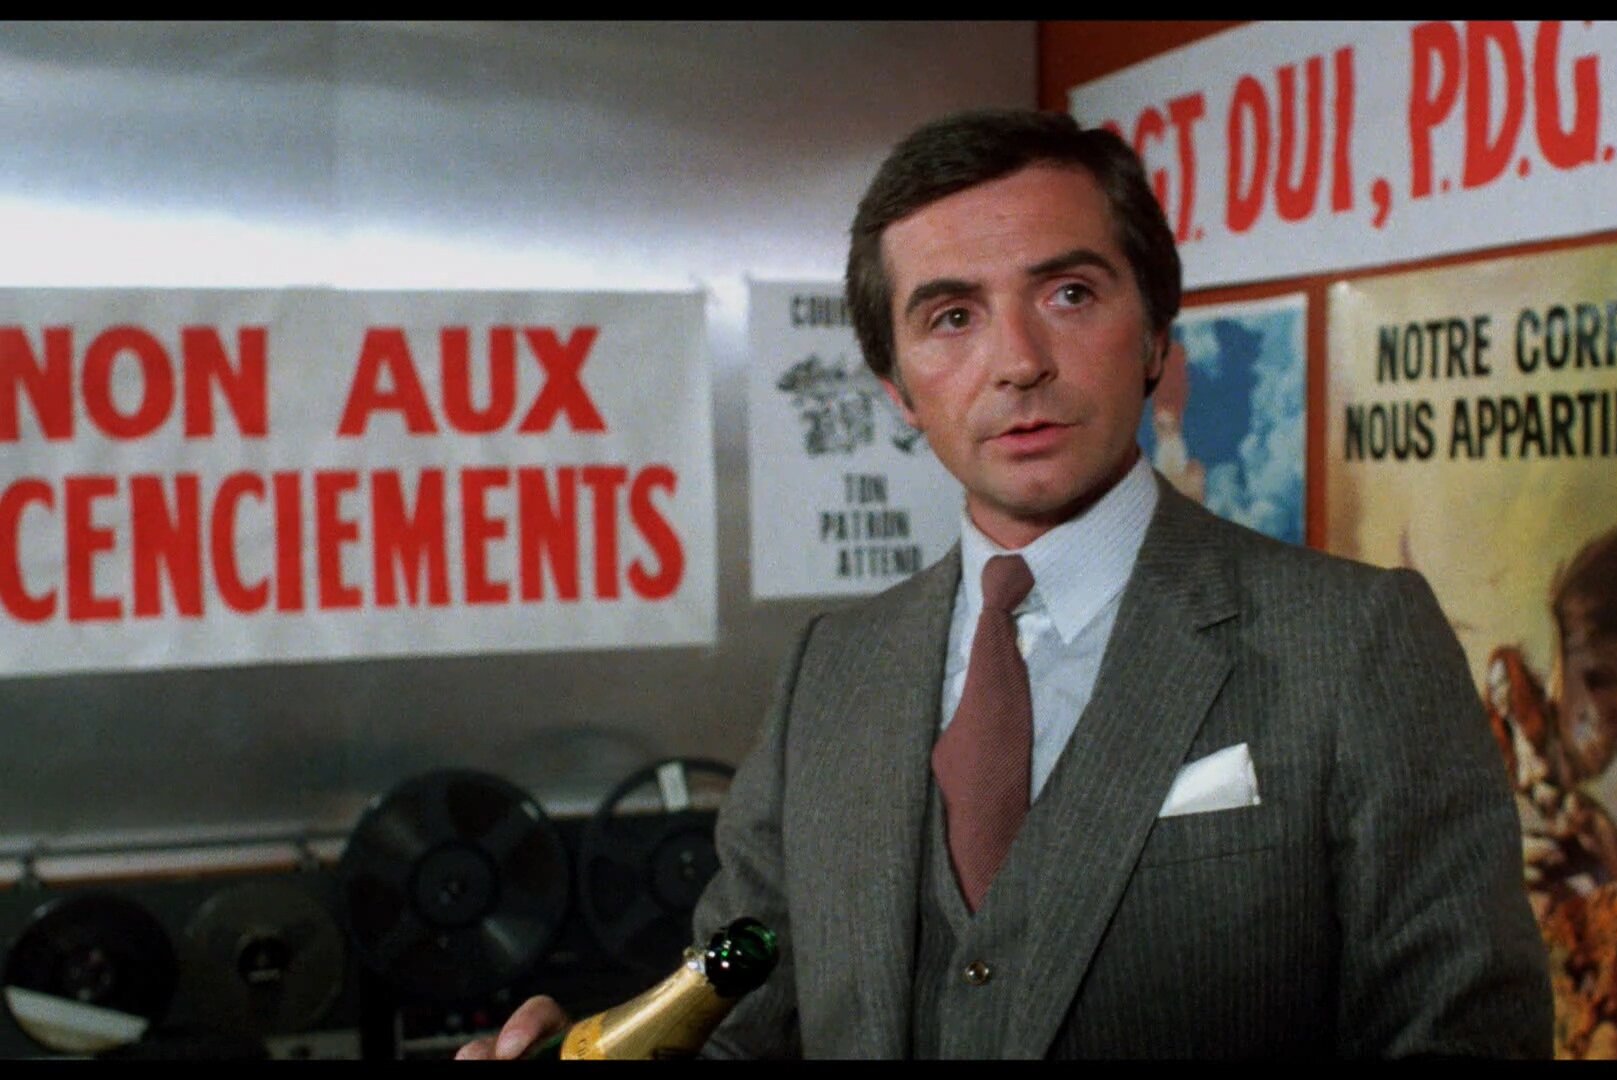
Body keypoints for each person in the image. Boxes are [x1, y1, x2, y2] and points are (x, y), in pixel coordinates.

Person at [458, 108, 1551, 1060]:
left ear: (1156, 336)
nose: (1018, 360)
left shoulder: (1356, 641)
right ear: (897, 387)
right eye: (952, 317)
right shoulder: (833, 670)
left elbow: (1461, 1036)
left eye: (1069, 293)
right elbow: (744, 1022)